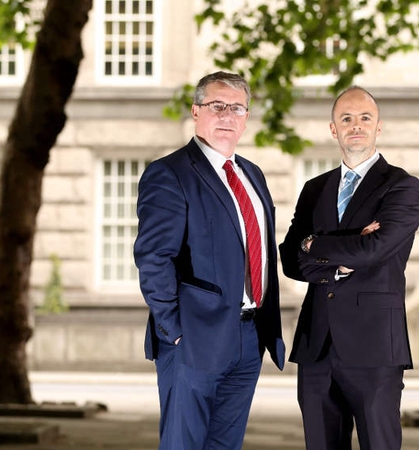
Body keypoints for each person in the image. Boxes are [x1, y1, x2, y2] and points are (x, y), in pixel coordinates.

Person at [134, 71, 285, 450]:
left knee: (225, 445)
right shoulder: (169, 174)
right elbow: (154, 257)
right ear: (196, 111)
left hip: (249, 339)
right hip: (193, 338)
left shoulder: (253, 175)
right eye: (217, 106)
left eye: (236, 108)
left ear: (247, 117)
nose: (227, 116)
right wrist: (175, 330)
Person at [279, 86, 419, 449]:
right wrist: (340, 259)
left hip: (374, 348)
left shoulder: (402, 187)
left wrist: (316, 244)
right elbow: (289, 259)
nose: (355, 125)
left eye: (364, 118)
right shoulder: (314, 189)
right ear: (333, 129)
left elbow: (376, 249)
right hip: (317, 347)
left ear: (378, 127)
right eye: (346, 118)